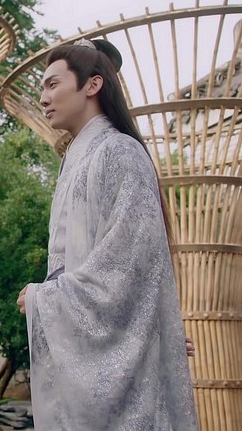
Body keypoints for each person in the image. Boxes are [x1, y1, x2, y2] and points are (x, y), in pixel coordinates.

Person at [16, 38, 198, 429]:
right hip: (87, 348)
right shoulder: (74, 160)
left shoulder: (120, 152)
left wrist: (44, 298)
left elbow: (130, 264)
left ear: (92, 85)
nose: (43, 98)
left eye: (53, 84)